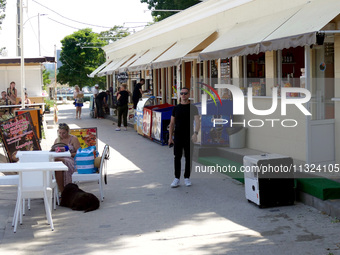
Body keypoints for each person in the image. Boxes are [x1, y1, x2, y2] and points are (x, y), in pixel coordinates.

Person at [168, 87, 200, 188]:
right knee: (177, 157)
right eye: (181, 93)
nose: (183, 95)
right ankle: (176, 178)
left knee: (188, 158)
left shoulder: (193, 108)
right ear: (179, 95)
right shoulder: (176, 108)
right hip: (178, 136)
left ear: (189, 95)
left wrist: (195, 133)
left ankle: (187, 177)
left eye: (185, 93)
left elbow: (197, 121)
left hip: (189, 136)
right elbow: (172, 123)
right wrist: (170, 137)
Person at [53, 123, 81, 193]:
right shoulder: (57, 140)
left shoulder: (73, 139)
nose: (62, 135)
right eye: (60, 133)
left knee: (57, 162)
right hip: (60, 160)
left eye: (64, 133)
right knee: (56, 163)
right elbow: (53, 152)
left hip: (72, 160)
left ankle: (63, 192)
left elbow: (79, 153)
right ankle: (62, 191)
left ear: (68, 131)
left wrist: (70, 154)